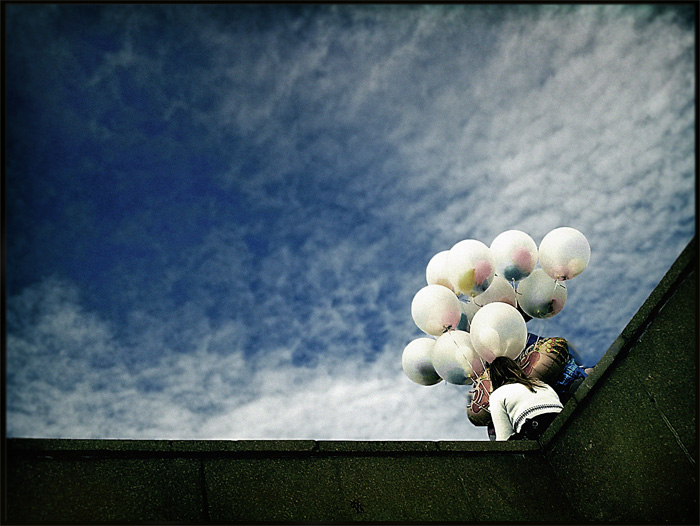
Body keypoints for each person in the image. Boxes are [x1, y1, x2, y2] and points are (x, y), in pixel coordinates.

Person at [488, 356, 564, 441]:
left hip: (535, 428)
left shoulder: (497, 394)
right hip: (564, 421)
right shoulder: (542, 385)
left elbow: (504, 438)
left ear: (494, 379)